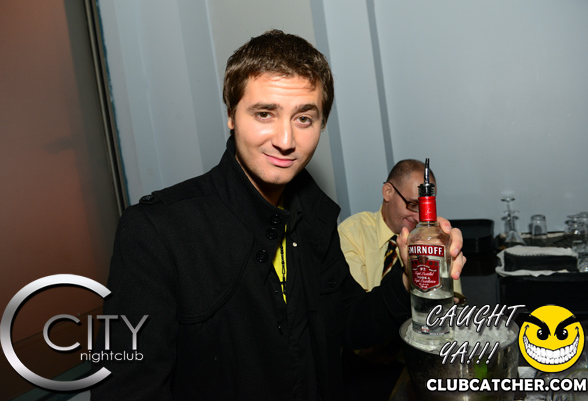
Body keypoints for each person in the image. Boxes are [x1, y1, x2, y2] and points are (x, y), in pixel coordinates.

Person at [90, 30, 465, 401]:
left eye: (304, 119)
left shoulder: (314, 217)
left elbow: (348, 325)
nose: (286, 141)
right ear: (231, 115)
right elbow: (123, 389)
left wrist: (408, 279)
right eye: (265, 114)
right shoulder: (155, 231)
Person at [338, 159, 463, 400]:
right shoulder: (353, 232)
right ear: (388, 192)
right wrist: (409, 276)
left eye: (424, 205)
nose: (418, 216)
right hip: (362, 372)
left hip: (418, 362)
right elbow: (355, 316)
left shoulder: (433, 237)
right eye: (412, 204)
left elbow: (451, 306)